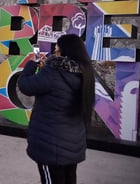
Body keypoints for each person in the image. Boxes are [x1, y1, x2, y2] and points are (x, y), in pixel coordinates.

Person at [18, 34, 95, 184]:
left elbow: (25, 85)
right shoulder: (85, 73)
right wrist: (45, 70)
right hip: (73, 144)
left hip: (50, 145)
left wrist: (31, 65)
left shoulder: (53, 73)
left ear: (64, 50)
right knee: (69, 179)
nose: (55, 50)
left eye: (57, 47)